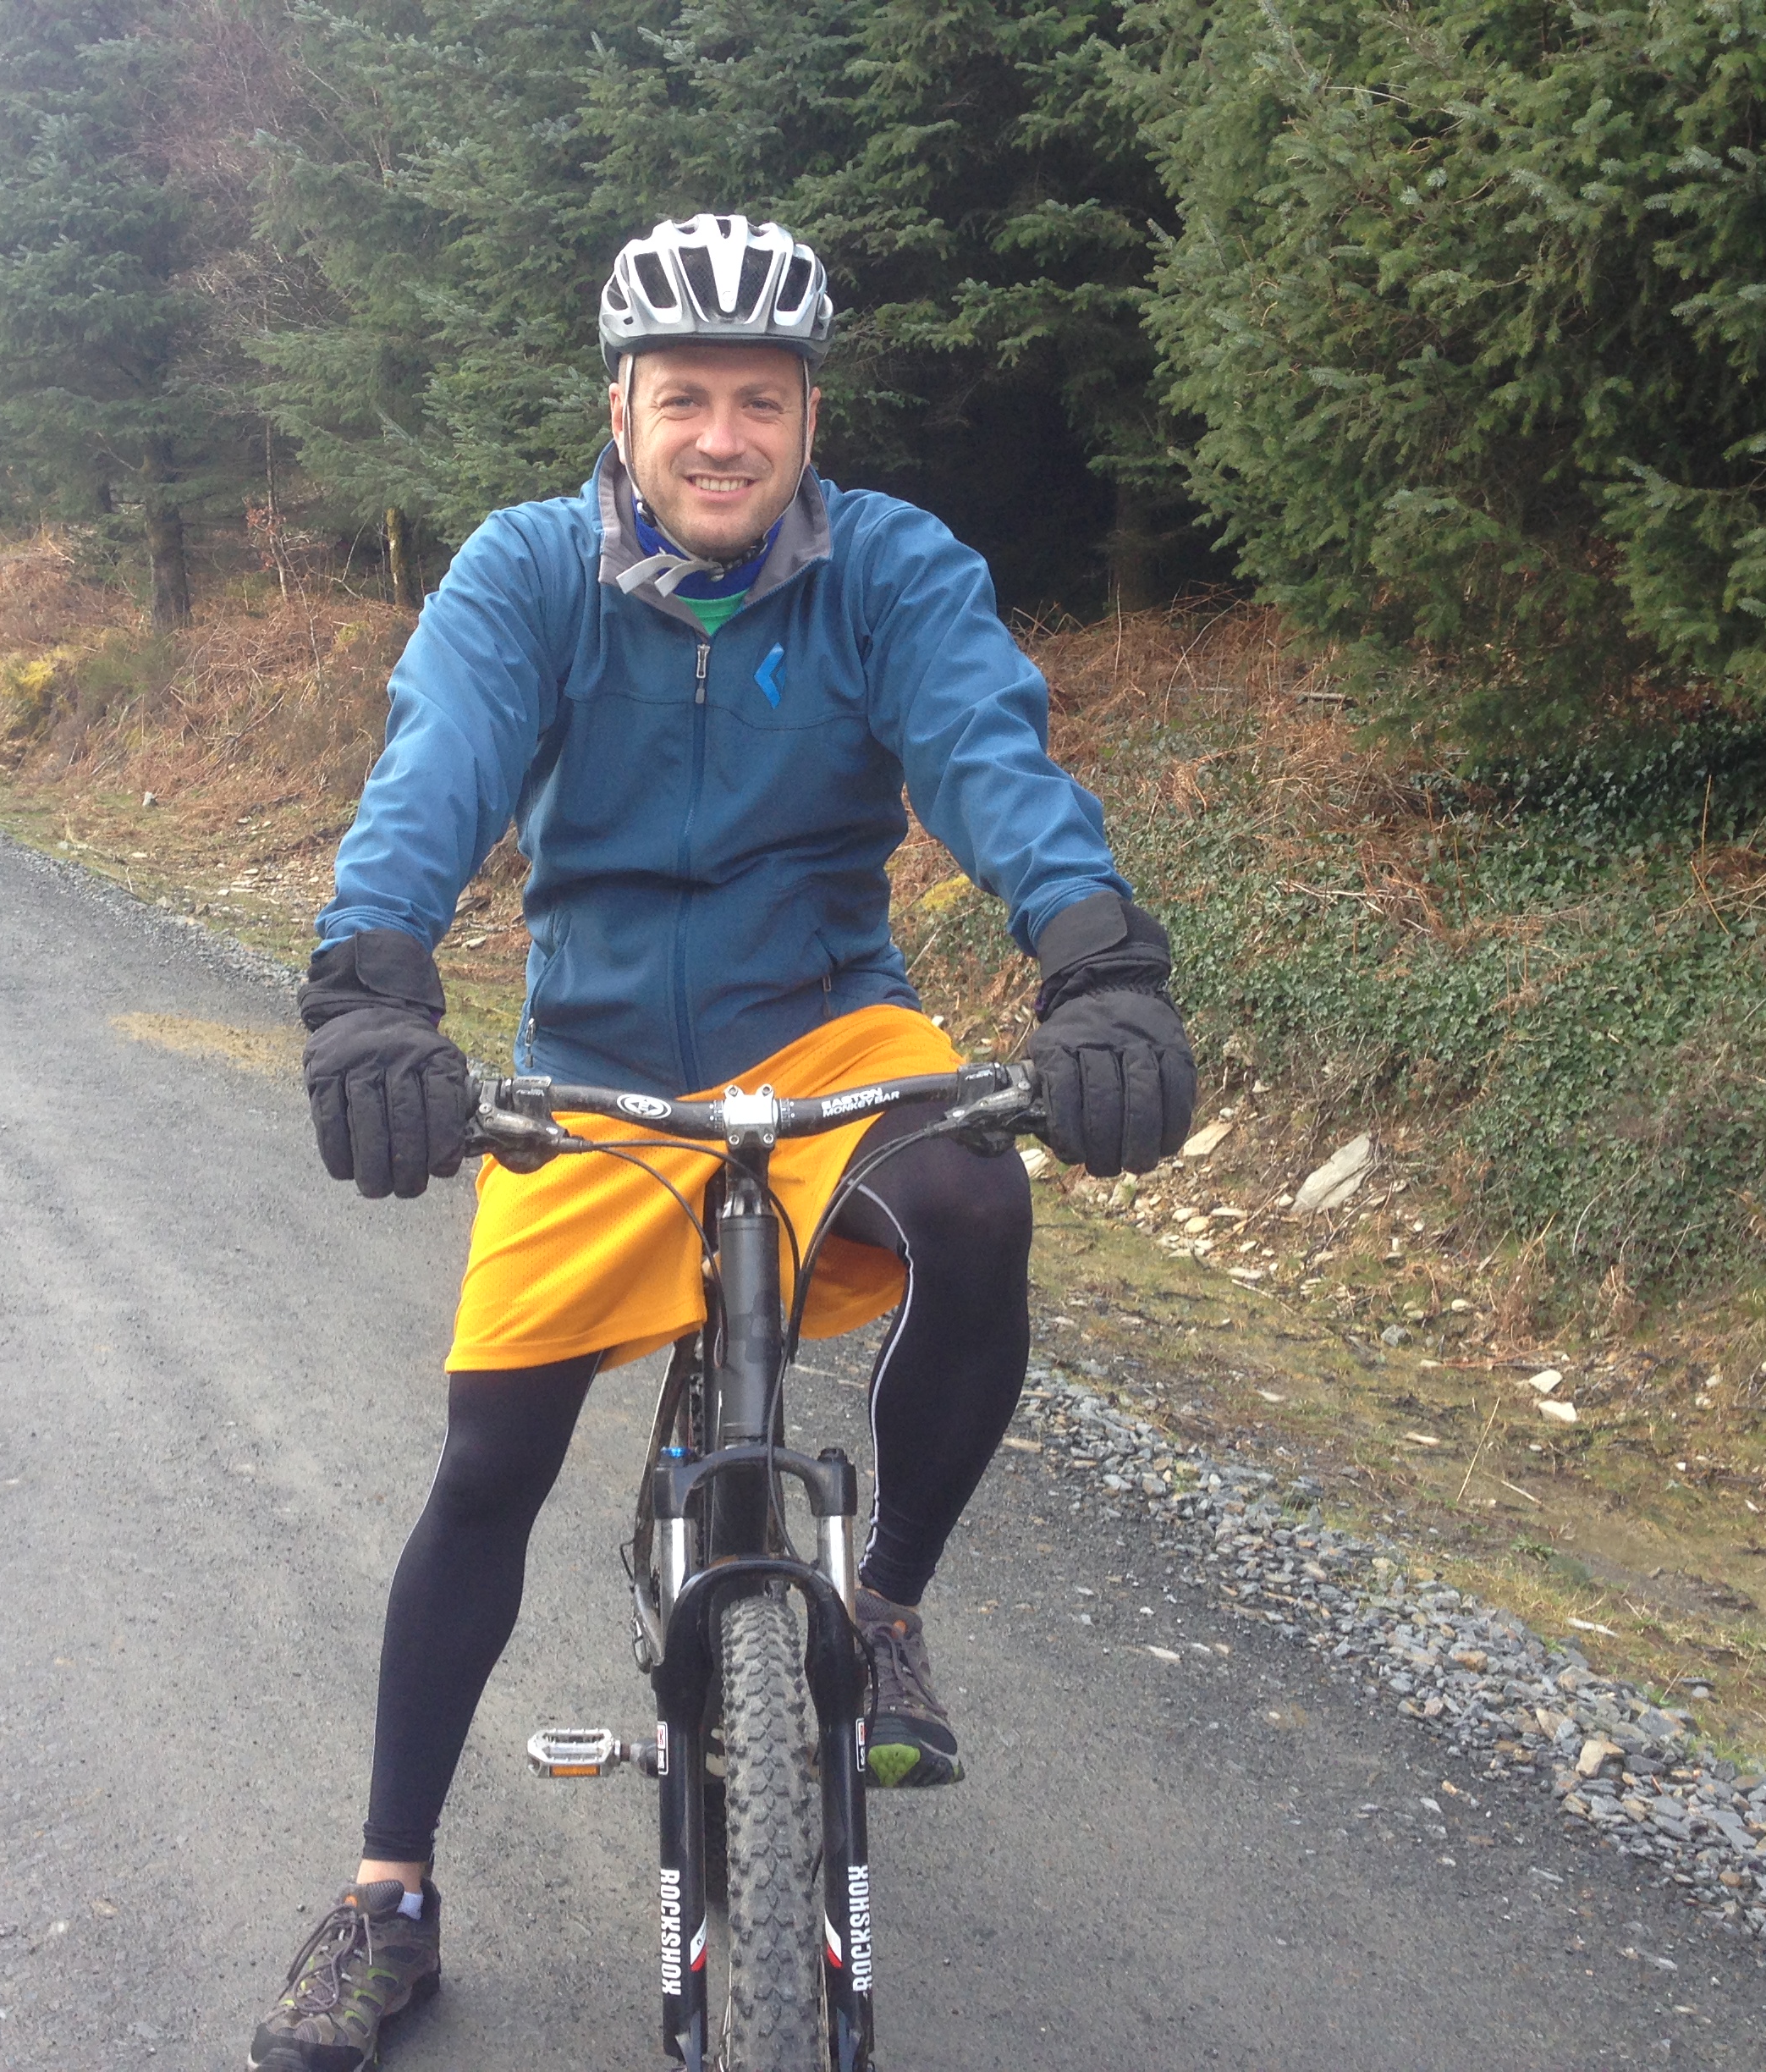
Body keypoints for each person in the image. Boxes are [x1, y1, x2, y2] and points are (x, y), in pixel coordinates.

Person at [249, 214, 1197, 2070]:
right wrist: (370, 986)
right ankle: (386, 1894)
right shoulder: (524, 574)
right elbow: (436, 766)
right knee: (487, 1468)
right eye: (683, 397)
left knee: (969, 1200)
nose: (720, 436)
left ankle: (893, 1603)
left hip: (830, 1017)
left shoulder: (891, 570)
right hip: (596, 1062)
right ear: (622, 409)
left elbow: (990, 758)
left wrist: (1097, 957)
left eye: (758, 402)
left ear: (806, 416)